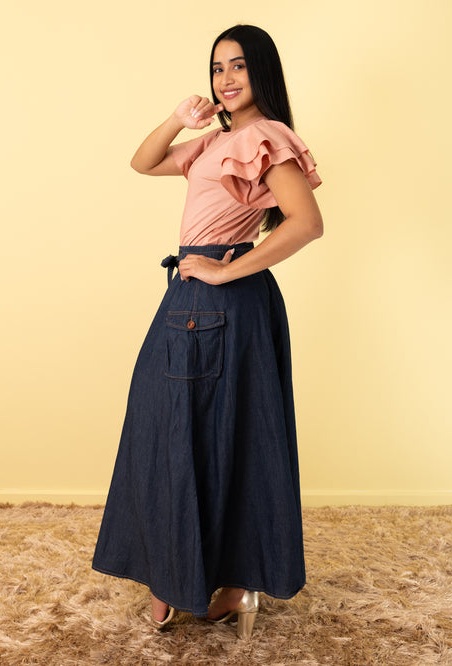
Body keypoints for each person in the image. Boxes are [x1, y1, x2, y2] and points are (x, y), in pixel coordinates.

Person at [92, 24, 323, 640]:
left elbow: (305, 222)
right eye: (218, 68)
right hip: (194, 299)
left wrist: (225, 269)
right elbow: (142, 162)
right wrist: (178, 118)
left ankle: (193, 581)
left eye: (238, 65)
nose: (226, 78)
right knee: (193, 429)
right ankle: (215, 581)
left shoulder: (265, 137)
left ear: (262, 70)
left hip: (217, 298)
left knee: (200, 432)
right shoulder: (215, 141)